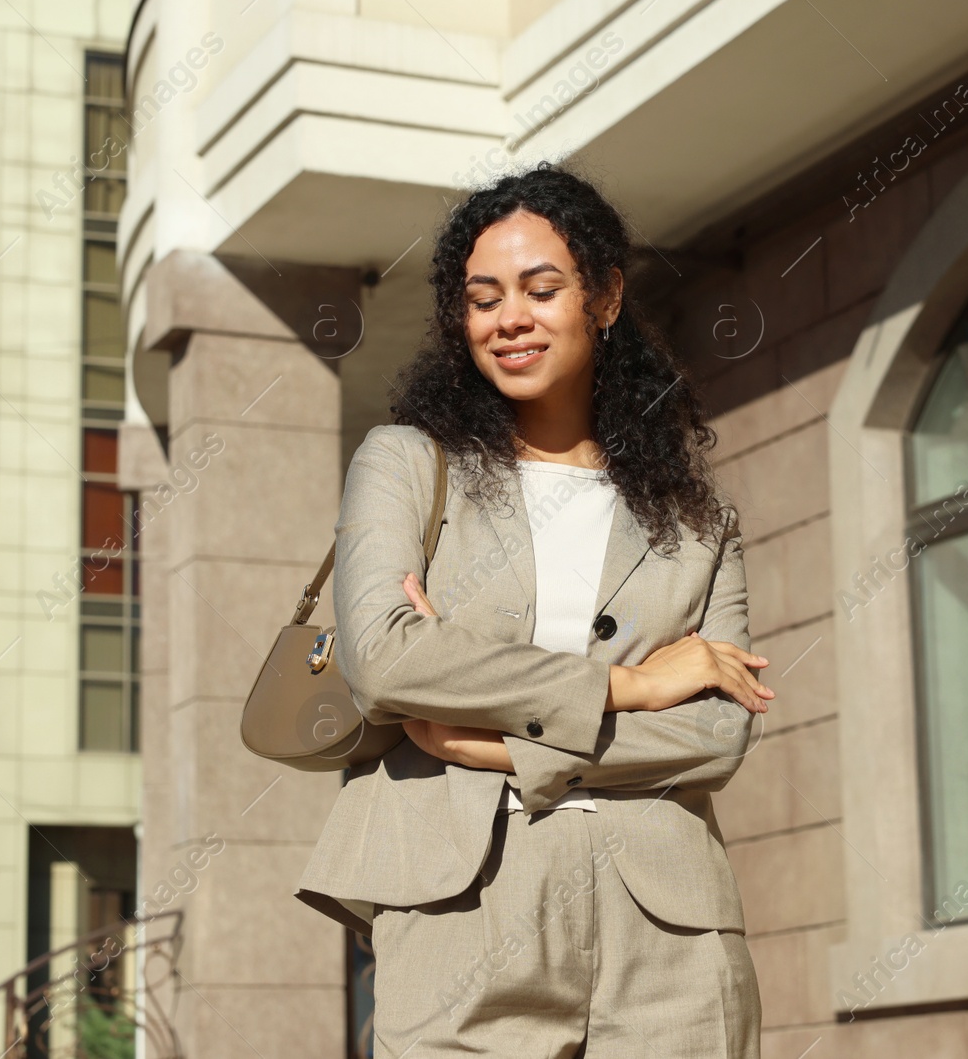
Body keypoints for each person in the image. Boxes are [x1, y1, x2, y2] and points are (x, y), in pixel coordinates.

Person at [295, 163, 772, 1058]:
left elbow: (715, 735)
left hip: (666, 929)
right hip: (459, 908)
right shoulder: (404, 463)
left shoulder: (699, 520)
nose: (508, 317)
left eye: (540, 288)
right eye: (482, 298)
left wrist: (498, 744)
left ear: (605, 296)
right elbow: (389, 661)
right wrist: (628, 685)